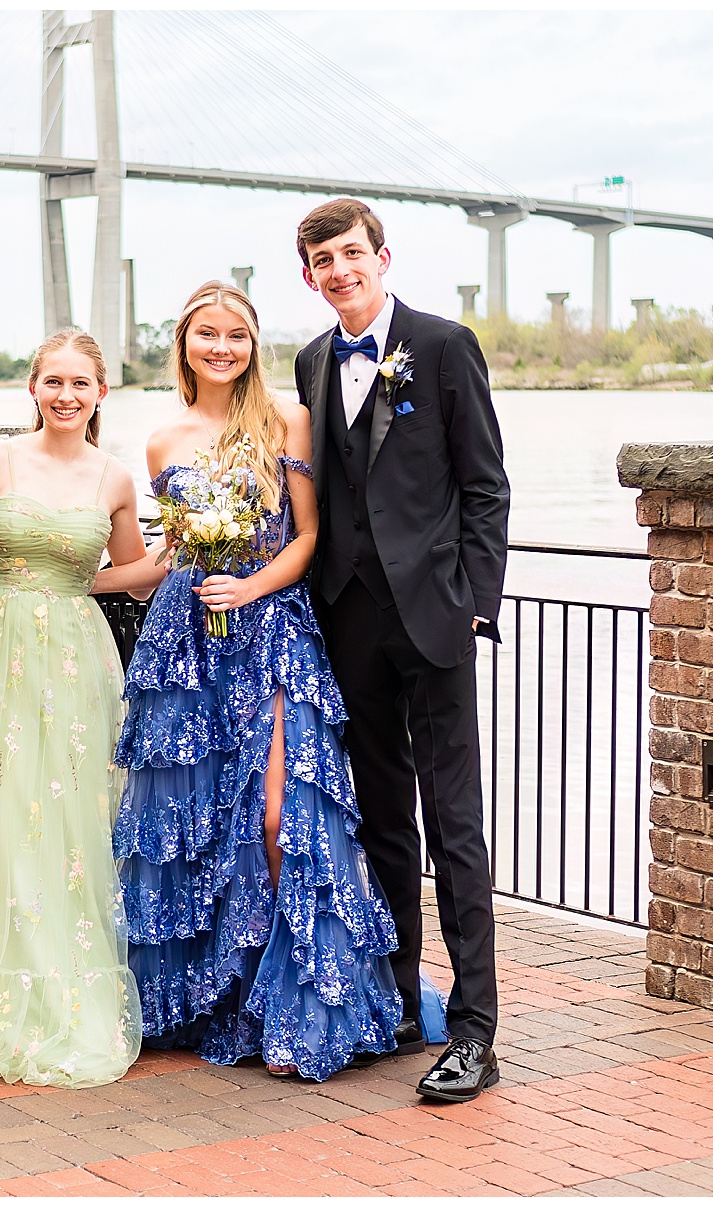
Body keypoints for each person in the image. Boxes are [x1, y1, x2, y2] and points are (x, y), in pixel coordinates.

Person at [115, 281, 402, 1081]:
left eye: (235, 335)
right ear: (185, 345)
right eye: (206, 334)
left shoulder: (286, 420)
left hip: (272, 631)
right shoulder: (161, 439)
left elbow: (308, 536)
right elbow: (170, 552)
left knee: (279, 815)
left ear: (251, 345)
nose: (221, 348)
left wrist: (251, 586)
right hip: (188, 641)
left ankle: (305, 1005)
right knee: (201, 819)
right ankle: (222, 999)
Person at [0, 328, 161, 1088]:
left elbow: (130, 575)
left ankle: (65, 992)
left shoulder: (114, 478)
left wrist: (186, 549)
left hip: (78, 660)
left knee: (72, 821)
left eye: (81, 384)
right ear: (34, 388)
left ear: (101, 392)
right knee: (4, 811)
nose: (67, 396)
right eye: (54, 382)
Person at [293, 198, 510, 1103]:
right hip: (347, 621)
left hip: (433, 620)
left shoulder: (445, 344)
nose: (341, 270)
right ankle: (391, 1001)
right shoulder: (310, 361)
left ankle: (475, 1032)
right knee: (381, 817)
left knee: (454, 822)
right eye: (324, 260)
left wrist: (472, 605)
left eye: (352, 254)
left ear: (383, 257)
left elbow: (486, 488)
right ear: (309, 275)